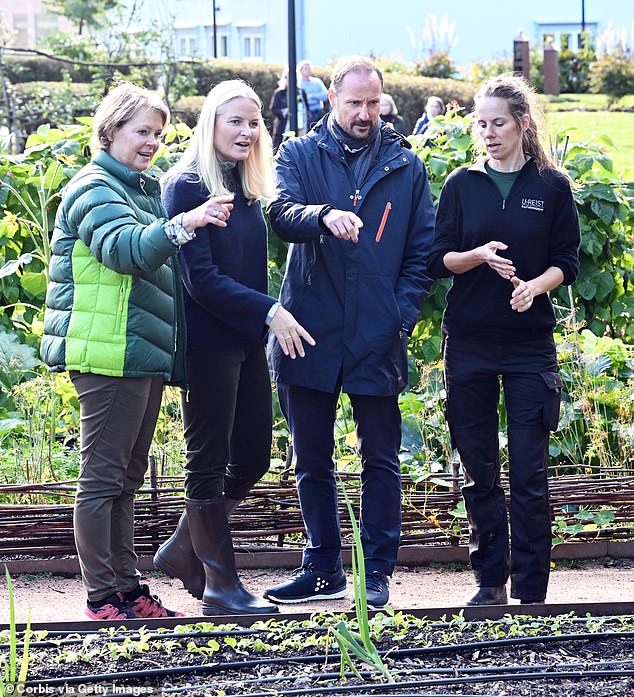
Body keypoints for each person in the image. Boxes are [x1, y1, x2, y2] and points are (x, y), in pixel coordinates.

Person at [40, 82, 234, 621]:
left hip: (138, 352)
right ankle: (103, 596)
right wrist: (186, 223)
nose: (151, 142)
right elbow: (126, 251)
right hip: (107, 352)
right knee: (102, 479)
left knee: (125, 478)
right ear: (111, 130)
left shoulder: (142, 188)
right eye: (141, 131)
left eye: (158, 133)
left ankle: (128, 590)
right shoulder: (92, 187)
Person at [264, 56, 435, 610]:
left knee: (380, 459)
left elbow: (422, 254)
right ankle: (322, 567)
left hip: (376, 334)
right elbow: (280, 213)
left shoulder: (406, 167)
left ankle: (377, 570)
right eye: (354, 102)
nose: (365, 113)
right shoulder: (297, 154)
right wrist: (321, 215)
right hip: (308, 328)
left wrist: (398, 316)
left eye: (373, 103)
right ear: (332, 99)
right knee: (310, 457)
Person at [157, 80, 314, 616]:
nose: (247, 131)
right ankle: (221, 584)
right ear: (211, 124)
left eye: (254, 123)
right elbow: (200, 280)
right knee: (208, 458)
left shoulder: (247, 188)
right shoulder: (186, 185)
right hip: (206, 344)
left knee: (253, 455)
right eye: (236, 122)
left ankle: (182, 549)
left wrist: (260, 317)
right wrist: (271, 310)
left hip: (244, 340)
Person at [428, 74, 580, 606]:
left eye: (498, 123)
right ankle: (489, 582)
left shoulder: (551, 186)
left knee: (530, 471)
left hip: (528, 347)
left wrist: (535, 287)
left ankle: (533, 591)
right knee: (478, 468)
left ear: (522, 124)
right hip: (467, 342)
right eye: (481, 123)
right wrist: (477, 257)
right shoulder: (461, 185)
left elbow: (568, 261)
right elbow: (437, 257)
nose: (488, 133)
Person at [270, 70, 310, 151]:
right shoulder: (279, 93)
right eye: (287, 77)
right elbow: (273, 108)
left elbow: (307, 109)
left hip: (300, 126)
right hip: (283, 125)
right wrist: (284, 112)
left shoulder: (301, 92)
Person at [297, 59, 329, 127]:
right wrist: (318, 97)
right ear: (301, 70)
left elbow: (326, 96)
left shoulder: (317, 82)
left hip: (319, 113)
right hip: (307, 114)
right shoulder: (298, 84)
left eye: (309, 68)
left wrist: (312, 96)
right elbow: (302, 101)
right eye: (306, 69)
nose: (308, 70)